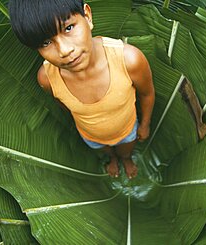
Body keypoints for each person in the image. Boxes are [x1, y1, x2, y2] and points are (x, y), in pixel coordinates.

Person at [9, 0, 155, 179]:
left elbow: (146, 93)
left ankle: (125, 160)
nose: (64, 50)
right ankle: (112, 160)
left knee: (126, 150)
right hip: (89, 135)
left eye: (69, 28)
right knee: (105, 151)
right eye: (46, 42)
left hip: (126, 130)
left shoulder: (129, 60)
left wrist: (145, 125)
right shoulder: (47, 78)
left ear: (87, 16)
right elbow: (63, 104)